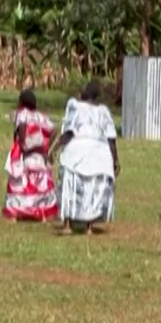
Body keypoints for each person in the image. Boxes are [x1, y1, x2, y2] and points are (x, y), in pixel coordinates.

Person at [50, 81, 119, 235]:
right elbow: (111, 138)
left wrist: (54, 149)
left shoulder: (75, 107)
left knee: (70, 187)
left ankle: (67, 225)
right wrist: (115, 160)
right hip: (99, 153)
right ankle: (89, 227)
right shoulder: (104, 111)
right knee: (93, 189)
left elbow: (69, 132)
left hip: (77, 151)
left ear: (84, 93)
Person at [3, 89, 59, 221]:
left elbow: (22, 126)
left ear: (21, 102)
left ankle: (18, 212)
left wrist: (24, 143)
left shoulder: (22, 114)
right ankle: (41, 212)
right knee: (39, 184)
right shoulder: (40, 116)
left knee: (21, 183)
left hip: (27, 153)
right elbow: (54, 130)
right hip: (40, 155)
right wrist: (47, 148)